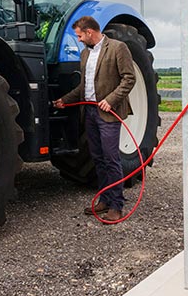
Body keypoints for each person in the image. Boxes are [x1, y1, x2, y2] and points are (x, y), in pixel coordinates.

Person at [54, 16, 136, 223]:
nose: (79, 40)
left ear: (90, 32)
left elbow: (129, 78)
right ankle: (105, 199)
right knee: (97, 158)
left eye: (80, 35)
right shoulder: (84, 55)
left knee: (111, 159)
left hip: (108, 113)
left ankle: (117, 205)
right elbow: (84, 87)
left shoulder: (118, 48)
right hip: (89, 113)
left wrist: (111, 100)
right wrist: (65, 100)